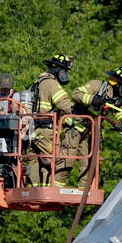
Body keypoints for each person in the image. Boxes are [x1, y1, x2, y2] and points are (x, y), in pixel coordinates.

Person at [27, 54, 75, 186]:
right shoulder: (51, 83)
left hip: (32, 130)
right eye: (63, 71)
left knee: (34, 162)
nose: (65, 75)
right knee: (55, 161)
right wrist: (77, 115)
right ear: (55, 69)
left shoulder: (36, 83)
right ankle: (51, 189)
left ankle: (34, 192)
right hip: (46, 132)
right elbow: (63, 103)